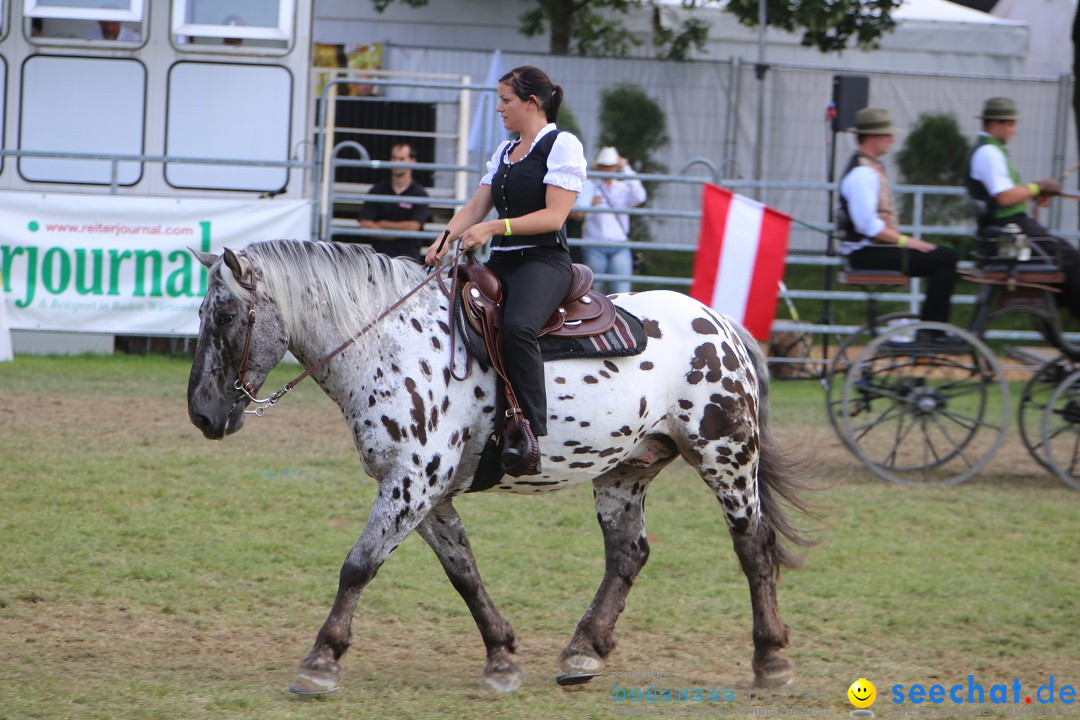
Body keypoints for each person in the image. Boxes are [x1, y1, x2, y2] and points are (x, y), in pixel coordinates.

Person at [425, 65, 586, 475]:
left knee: (517, 327)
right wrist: (443, 241)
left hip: (543, 261)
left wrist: (495, 227)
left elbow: (553, 217)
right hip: (504, 261)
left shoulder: (562, 146)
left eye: (506, 100)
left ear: (532, 103)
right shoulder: (504, 150)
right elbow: (477, 206)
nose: (499, 108)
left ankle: (531, 431)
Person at [838, 107, 966, 349]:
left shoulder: (866, 169)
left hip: (868, 251)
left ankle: (932, 329)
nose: (891, 140)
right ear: (872, 137)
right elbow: (868, 226)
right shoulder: (862, 174)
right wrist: (908, 242)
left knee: (943, 257)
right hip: (867, 253)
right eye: (887, 134)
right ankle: (932, 332)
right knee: (944, 259)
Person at [967, 96, 1080, 319]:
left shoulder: (988, 150)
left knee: (1065, 257)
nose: (1014, 130)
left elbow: (1005, 195)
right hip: (1009, 231)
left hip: (1004, 228)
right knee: (1072, 260)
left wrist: (1034, 192)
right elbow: (1004, 197)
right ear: (995, 123)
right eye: (1010, 124)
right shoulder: (989, 153)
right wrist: (1039, 186)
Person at [572, 146, 646, 294]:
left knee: (623, 292)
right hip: (595, 245)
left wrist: (626, 168)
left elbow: (640, 196)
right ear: (598, 167)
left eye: (611, 166)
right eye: (604, 166)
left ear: (616, 168)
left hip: (618, 245)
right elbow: (577, 212)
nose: (607, 170)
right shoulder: (589, 186)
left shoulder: (623, 187)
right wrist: (590, 204)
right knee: (595, 291)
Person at [356, 141, 430, 261]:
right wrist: (401, 231)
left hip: (409, 261)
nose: (396, 163)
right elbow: (365, 225)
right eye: (394, 158)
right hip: (380, 260)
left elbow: (413, 227)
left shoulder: (420, 194)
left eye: (401, 159)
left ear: (412, 161)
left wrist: (382, 224)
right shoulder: (377, 190)